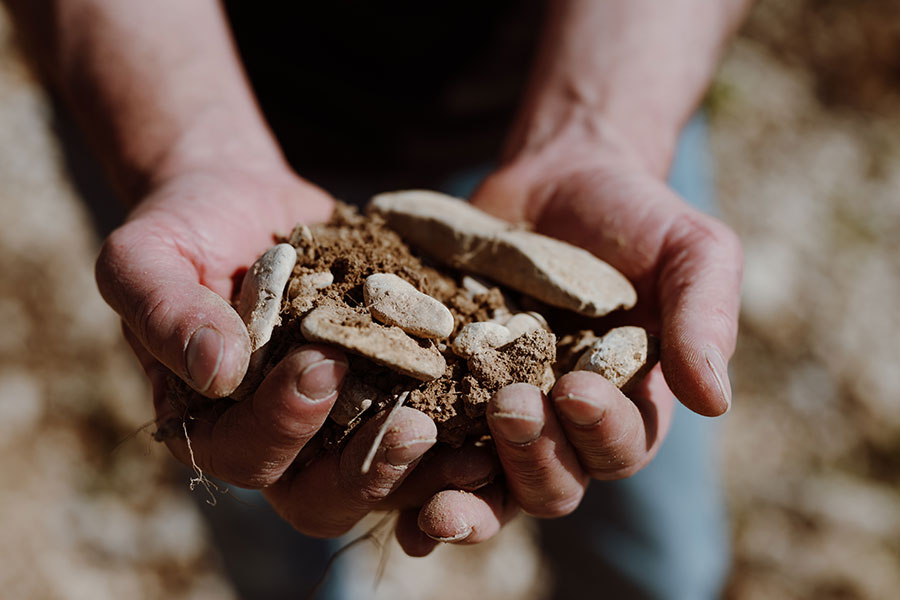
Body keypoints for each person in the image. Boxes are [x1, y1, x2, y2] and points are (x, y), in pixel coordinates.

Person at [6, 0, 748, 596]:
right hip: (169, 93)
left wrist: (604, 133)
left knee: (657, 554)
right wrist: (185, 149)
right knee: (253, 459)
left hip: (593, 87)